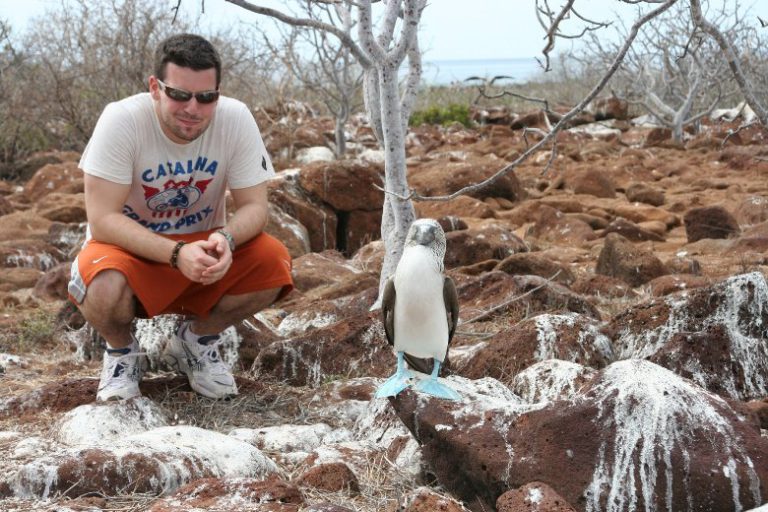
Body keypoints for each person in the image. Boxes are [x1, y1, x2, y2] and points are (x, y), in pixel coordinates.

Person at [68, 33, 293, 401]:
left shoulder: (235, 118)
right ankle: (123, 351)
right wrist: (175, 254)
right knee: (102, 285)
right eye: (179, 94)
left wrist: (227, 239)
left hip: (201, 248)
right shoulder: (122, 119)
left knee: (273, 261)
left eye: (206, 97)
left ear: (218, 93)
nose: (193, 108)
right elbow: (102, 219)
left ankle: (195, 340)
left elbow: (255, 207)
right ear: (155, 88)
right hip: (130, 252)